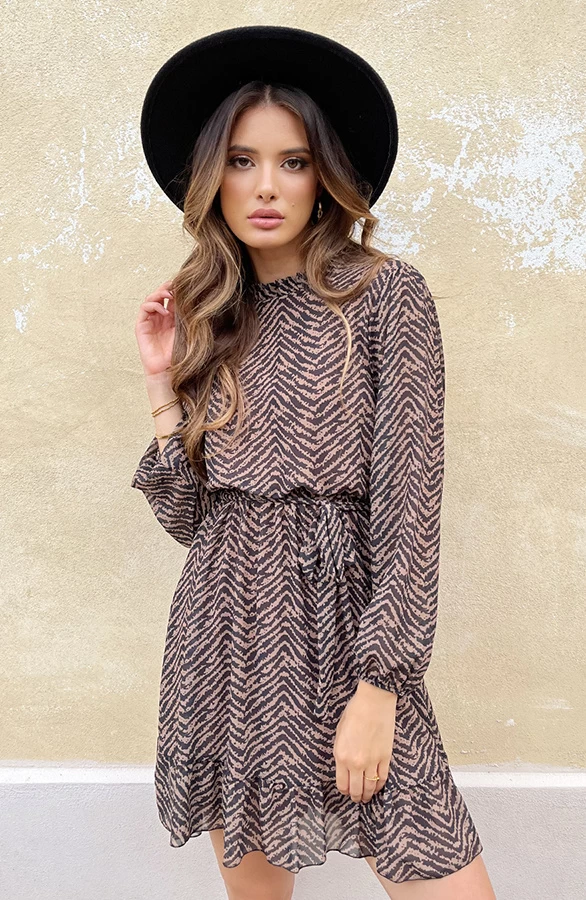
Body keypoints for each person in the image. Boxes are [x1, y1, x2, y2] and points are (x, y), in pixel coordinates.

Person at [130, 26, 496, 900]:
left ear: (323, 176)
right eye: (242, 161)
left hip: (346, 634)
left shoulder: (384, 296)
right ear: (212, 178)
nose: (266, 186)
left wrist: (381, 687)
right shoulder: (213, 312)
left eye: (292, 162)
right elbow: (190, 519)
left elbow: (409, 508)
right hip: (225, 633)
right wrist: (161, 382)